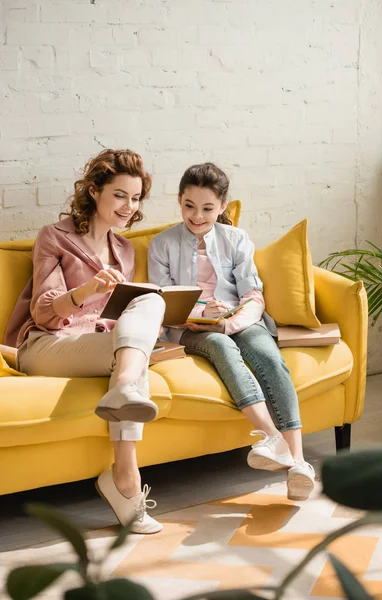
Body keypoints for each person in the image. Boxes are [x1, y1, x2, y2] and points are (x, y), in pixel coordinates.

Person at [5, 149, 165, 533]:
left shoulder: (123, 249)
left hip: (100, 345)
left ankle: (124, 396)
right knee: (134, 358)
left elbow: (114, 316)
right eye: (120, 195)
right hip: (47, 345)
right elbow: (44, 313)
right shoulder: (54, 237)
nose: (129, 207)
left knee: (151, 299)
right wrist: (87, 290)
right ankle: (124, 481)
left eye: (136, 197)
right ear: (94, 191)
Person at [148, 162, 315, 501]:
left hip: (235, 320)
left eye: (208, 208)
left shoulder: (236, 239)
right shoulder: (162, 244)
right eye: (189, 206)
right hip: (187, 327)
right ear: (179, 201)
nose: (197, 216)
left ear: (223, 206)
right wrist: (198, 315)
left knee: (268, 355)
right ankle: (272, 437)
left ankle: (298, 462)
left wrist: (230, 321)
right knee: (222, 349)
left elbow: (254, 295)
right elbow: (160, 299)